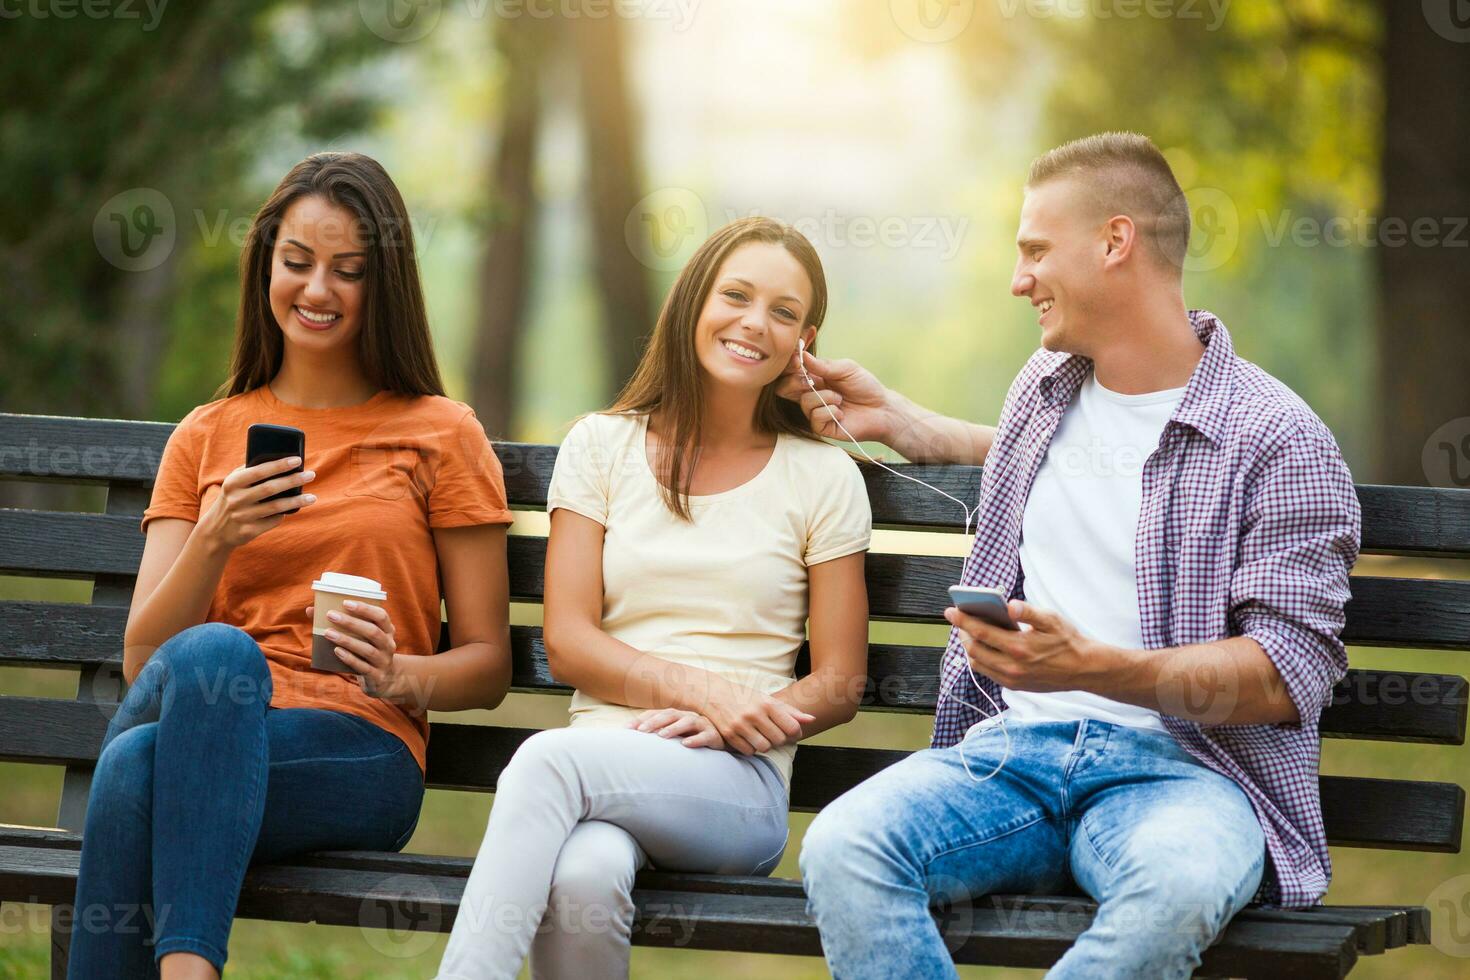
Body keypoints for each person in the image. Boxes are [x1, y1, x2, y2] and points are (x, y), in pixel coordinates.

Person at [787, 133, 1361, 978]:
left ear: (1115, 242)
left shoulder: (1280, 441)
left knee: (1176, 891)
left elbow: (1284, 676)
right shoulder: (1044, 388)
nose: (1018, 279)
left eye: (1034, 250)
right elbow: (1081, 460)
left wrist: (1095, 667)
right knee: (843, 849)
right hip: (1010, 757)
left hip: (1183, 775)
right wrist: (916, 427)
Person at [68, 152, 515, 980]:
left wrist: (397, 673)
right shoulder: (206, 435)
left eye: (348, 270)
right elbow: (142, 666)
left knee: (140, 767)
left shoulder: (442, 434)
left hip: (360, 749)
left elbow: (488, 665)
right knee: (200, 676)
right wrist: (215, 538)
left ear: (384, 284)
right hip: (204, 717)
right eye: (297, 262)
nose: (317, 290)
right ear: (265, 264)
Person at [435, 217, 873, 980]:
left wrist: (738, 722)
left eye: (783, 312)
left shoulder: (823, 477)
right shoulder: (601, 447)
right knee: (582, 879)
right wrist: (702, 690)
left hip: (736, 780)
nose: (753, 324)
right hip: (599, 760)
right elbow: (568, 641)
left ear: (805, 339)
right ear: (693, 299)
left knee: (543, 763)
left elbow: (840, 682)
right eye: (735, 295)